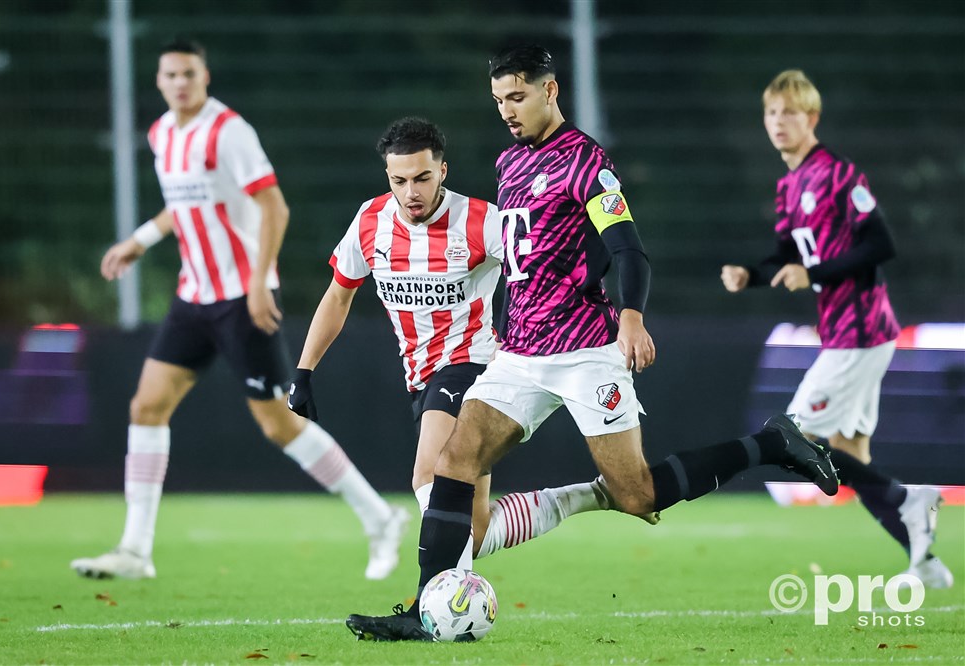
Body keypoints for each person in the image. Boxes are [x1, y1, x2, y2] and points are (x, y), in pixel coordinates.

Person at [344, 45, 840, 641]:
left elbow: (627, 244)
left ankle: (771, 443)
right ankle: (427, 611)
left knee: (637, 495)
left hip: (584, 350)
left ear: (550, 92)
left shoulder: (586, 162)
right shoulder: (509, 164)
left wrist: (629, 314)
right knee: (455, 459)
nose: (507, 109)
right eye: (500, 99)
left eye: (518, 96)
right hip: (522, 353)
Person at [70, 38, 407, 581]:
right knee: (146, 406)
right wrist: (140, 239)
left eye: (189, 73)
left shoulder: (229, 131)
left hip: (239, 299)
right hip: (193, 296)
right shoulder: (162, 134)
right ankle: (134, 550)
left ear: (205, 77)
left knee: (278, 426)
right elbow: (184, 207)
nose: (180, 82)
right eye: (170, 75)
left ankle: (379, 516)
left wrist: (256, 283)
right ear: (159, 82)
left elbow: (274, 205)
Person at [288, 116, 631, 572]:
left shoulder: (481, 220)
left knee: (427, 474)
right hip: (419, 376)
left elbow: (541, 264)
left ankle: (442, 603)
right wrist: (304, 371)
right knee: (475, 530)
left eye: (423, 178)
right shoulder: (370, 222)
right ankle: (594, 494)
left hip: (474, 365)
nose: (412, 192)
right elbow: (338, 294)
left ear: (442, 172)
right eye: (400, 180)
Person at [720, 69, 952, 589]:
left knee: (794, 436)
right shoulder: (788, 185)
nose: (779, 122)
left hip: (862, 330)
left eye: (790, 113)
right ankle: (923, 554)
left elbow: (879, 245)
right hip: (846, 333)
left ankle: (908, 499)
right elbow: (789, 256)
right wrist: (751, 274)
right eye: (772, 113)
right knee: (848, 457)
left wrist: (815, 273)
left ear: (813, 119)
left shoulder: (839, 175)